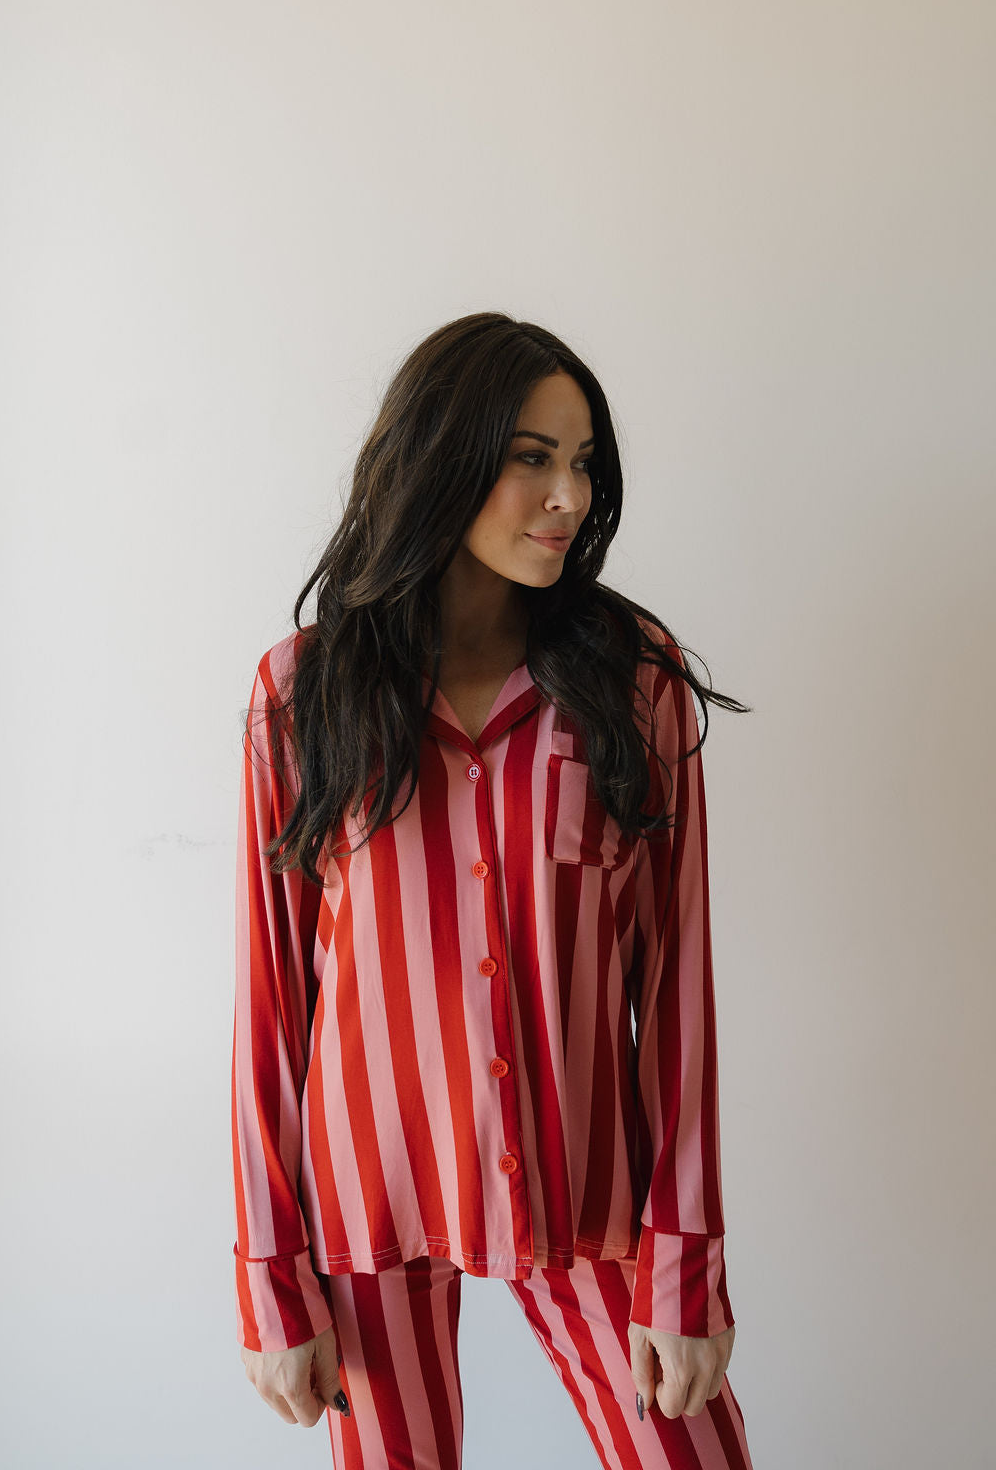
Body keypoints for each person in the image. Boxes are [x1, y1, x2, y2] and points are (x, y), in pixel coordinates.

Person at [231, 311, 755, 1470]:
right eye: (531, 457)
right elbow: (273, 1005)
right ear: (442, 458)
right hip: (367, 1215)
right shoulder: (302, 694)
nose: (567, 494)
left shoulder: (632, 682)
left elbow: (678, 993)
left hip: (595, 1194)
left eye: (581, 462)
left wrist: (683, 1261)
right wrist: (271, 1278)